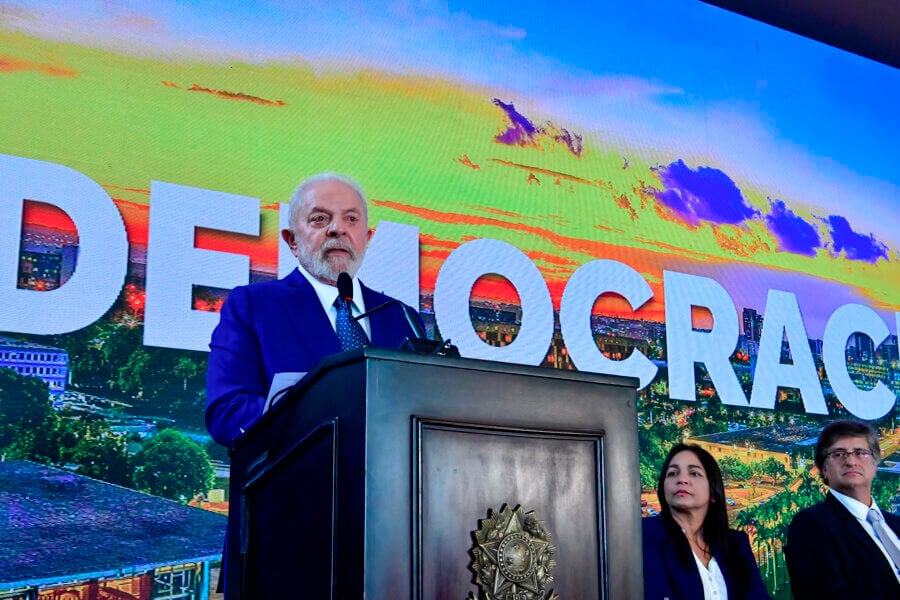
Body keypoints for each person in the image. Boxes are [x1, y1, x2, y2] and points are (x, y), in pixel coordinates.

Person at [205, 172, 423, 447]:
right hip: (296, 483)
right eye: (320, 219)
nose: (337, 229)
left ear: (366, 238)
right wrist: (317, 418)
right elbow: (227, 411)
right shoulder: (252, 306)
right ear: (292, 241)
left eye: (351, 219)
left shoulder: (401, 317)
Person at [786, 419, 900, 599]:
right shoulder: (811, 525)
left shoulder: (895, 523)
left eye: (860, 452)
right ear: (824, 469)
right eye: (838, 454)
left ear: (875, 463)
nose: (850, 461)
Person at [642, 443, 770, 600]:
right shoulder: (644, 537)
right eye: (673, 473)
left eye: (694, 473)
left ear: (713, 492)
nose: (682, 479)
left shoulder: (736, 544)